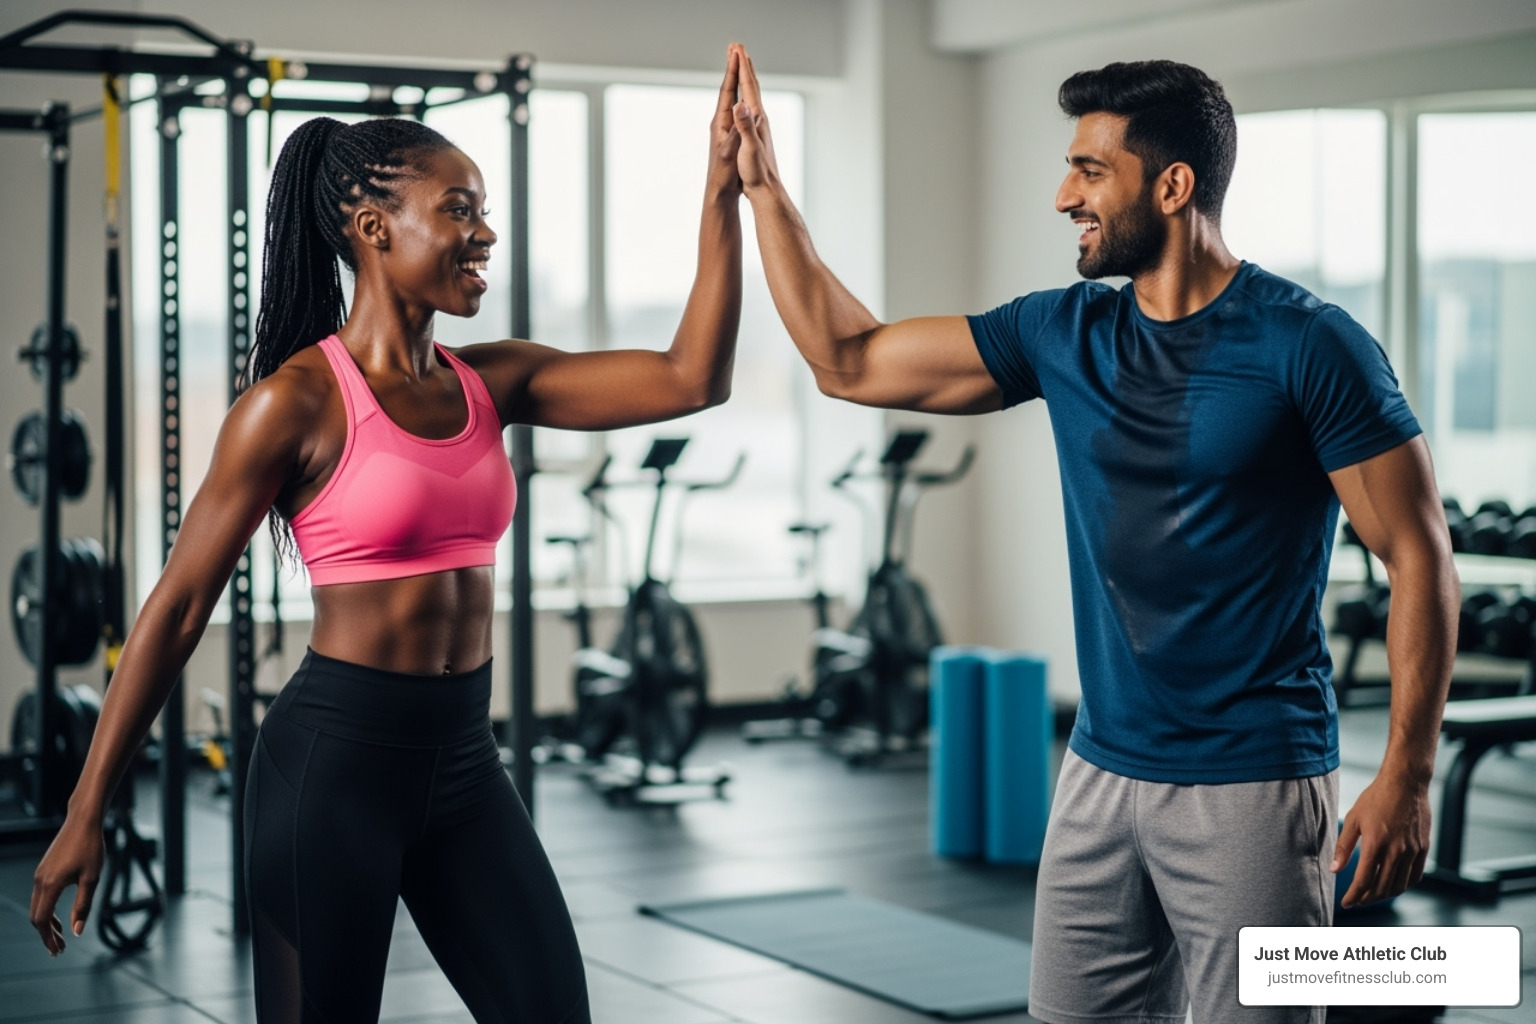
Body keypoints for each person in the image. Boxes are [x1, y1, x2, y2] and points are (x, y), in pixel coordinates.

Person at [728, 52, 1458, 1024]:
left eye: (1089, 170)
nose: (1063, 194)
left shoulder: (1308, 346)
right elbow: (849, 361)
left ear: (1172, 185)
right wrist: (765, 190)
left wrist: (1406, 778)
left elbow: (1419, 559)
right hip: (1099, 770)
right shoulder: (1063, 334)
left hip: (1253, 781)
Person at [30, 45, 752, 1024]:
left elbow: (690, 377)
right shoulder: (292, 404)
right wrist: (87, 808)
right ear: (373, 228)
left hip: (465, 765)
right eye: (460, 209)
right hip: (332, 771)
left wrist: (722, 192)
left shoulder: (495, 381)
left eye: (484, 209)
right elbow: (180, 605)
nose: (486, 232)